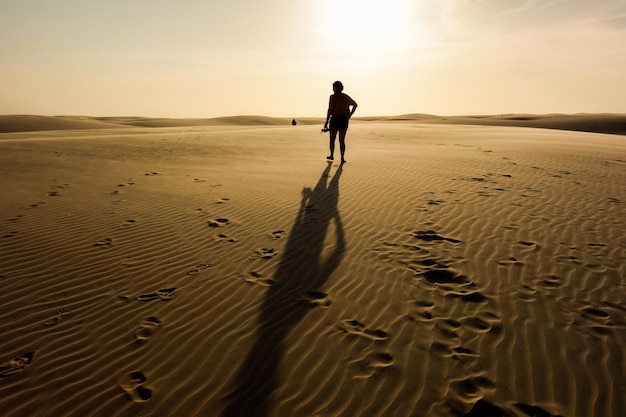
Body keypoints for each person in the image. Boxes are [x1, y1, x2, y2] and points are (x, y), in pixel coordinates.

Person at [323, 81, 357, 163]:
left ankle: (333, 155)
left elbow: (330, 109)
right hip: (343, 119)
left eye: (334, 87)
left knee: (334, 139)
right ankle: (341, 158)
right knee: (341, 140)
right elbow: (355, 105)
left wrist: (327, 121)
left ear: (336, 88)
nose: (333, 89)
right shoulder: (345, 97)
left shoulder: (333, 97)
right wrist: (349, 116)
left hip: (336, 119)